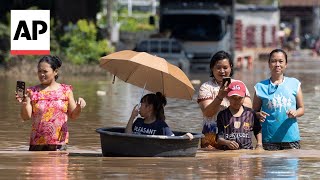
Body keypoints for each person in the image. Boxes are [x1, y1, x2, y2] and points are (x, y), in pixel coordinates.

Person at [15, 55, 86, 151]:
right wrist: (24, 103)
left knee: (59, 166)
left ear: (55, 72)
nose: (41, 74)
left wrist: (79, 107)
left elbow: (73, 116)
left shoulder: (66, 90)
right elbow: (25, 117)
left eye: (45, 71)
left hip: (59, 144)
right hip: (37, 144)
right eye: (39, 71)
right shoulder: (32, 91)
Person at [197, 50, 252, 149]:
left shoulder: (239, 85)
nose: (222, 71)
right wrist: (220, 96)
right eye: (218, 68)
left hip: (236, 134)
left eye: (225, 67)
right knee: (210, 163)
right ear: (212, 69)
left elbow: (248, 110)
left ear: (231, 67)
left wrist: (233, 97)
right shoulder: (206, 87)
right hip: (211, 136)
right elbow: (208, 113)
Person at [253, 49, 304, 150]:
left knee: (291, 165)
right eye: (273, 61)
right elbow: (253, 112)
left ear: (286, 64)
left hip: (291, 138)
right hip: (269, 139)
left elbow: (302, 109)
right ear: (269, 64)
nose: (277, 64)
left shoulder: (294, 83)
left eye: (281, 61)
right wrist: (258, 115)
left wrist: (295, 113)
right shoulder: (260, 87)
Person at [216, 80, 263, 150]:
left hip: (247, 152)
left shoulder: (250, 113)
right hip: (228, 152)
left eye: (239, 98)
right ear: (228, 97)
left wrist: (259, 144)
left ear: (244, 97)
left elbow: (257, 130)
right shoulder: (222, 115)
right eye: (233, 98)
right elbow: (219, 138)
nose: (236, 101)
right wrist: (226, 142)